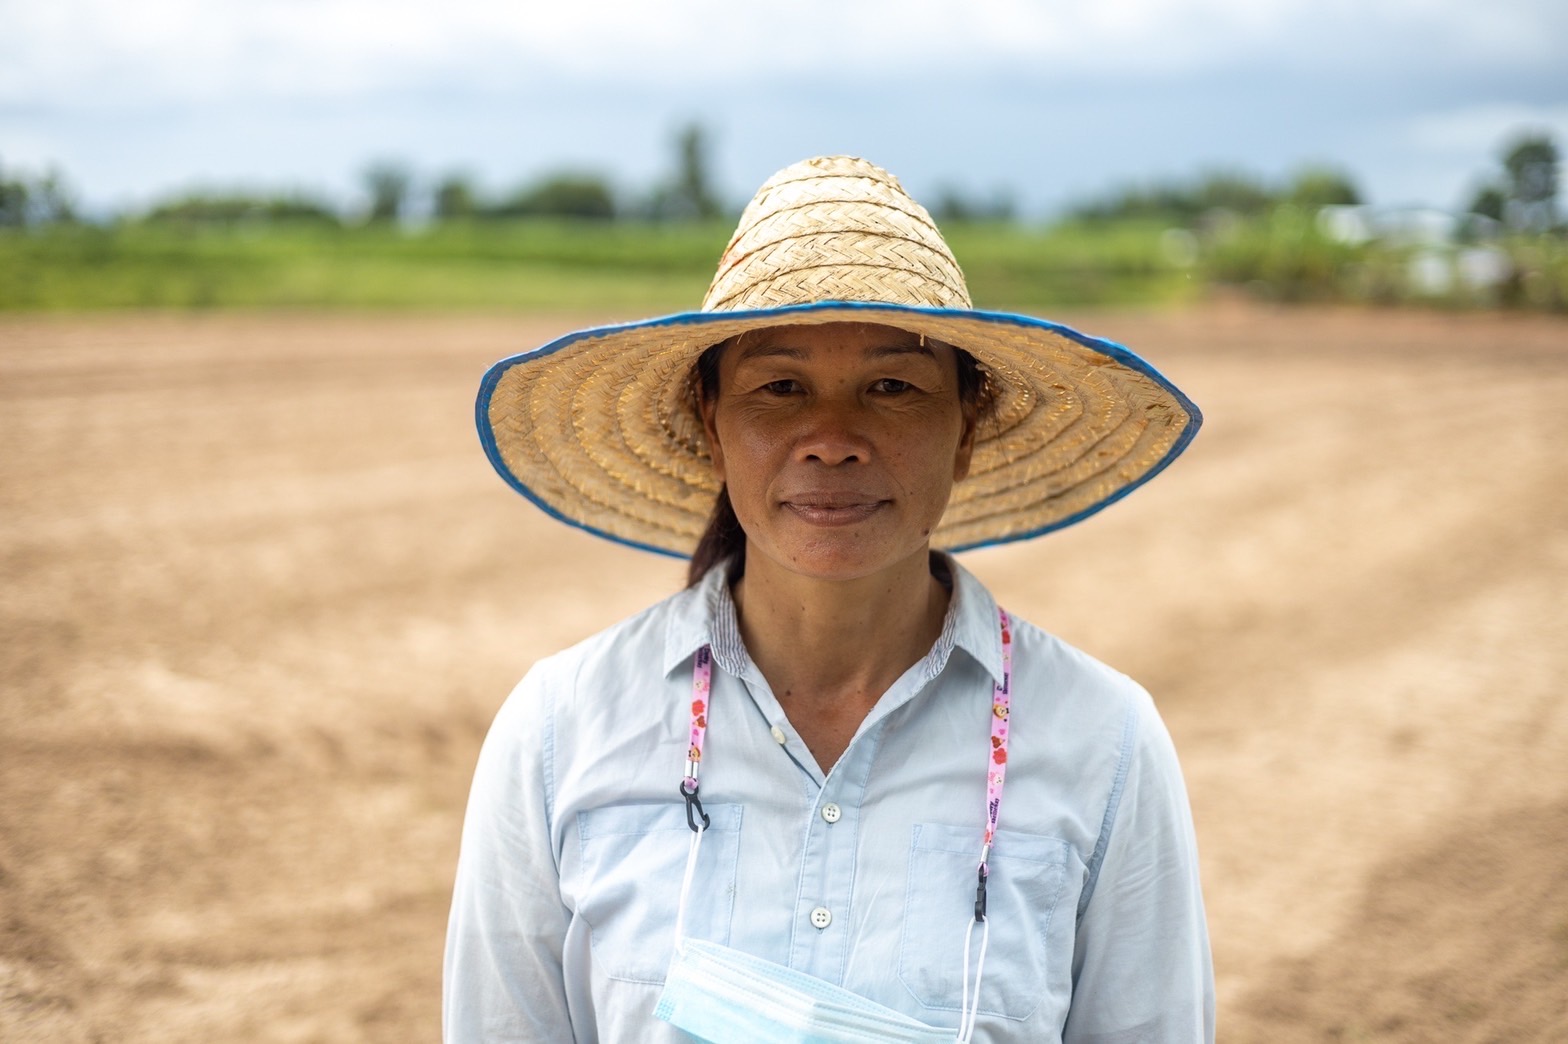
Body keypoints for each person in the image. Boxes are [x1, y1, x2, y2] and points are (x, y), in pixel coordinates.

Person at [446, 155, 1213, 1042]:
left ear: (966, 429)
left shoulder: (1104, 742)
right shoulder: (559, 732)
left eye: (893, 387)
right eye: (780, 388)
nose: (834, 439)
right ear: (712, 425)